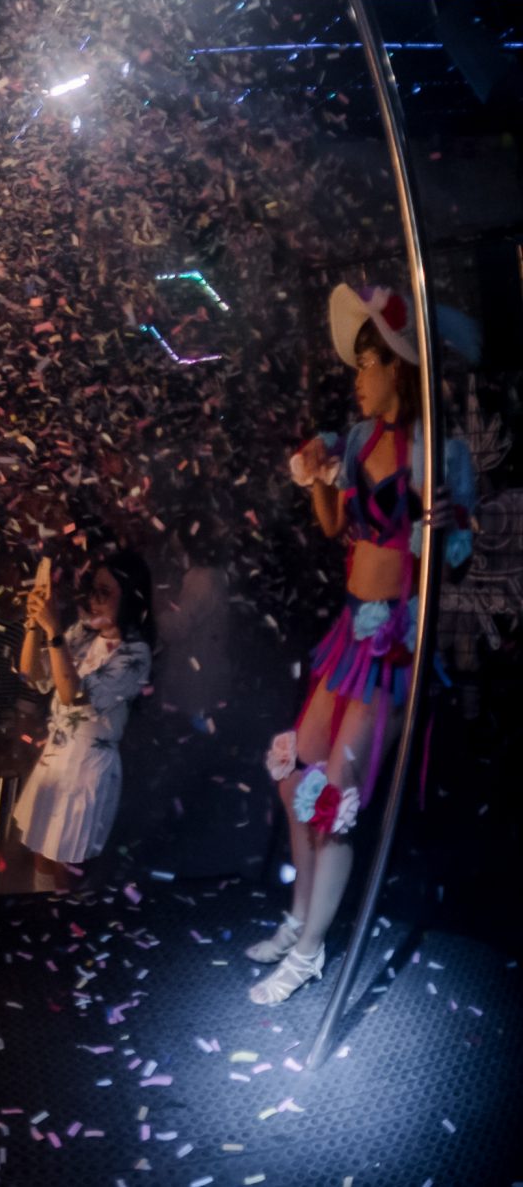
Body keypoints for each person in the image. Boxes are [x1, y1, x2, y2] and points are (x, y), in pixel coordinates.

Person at [250, 285, 477, 1004]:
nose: (357, 377)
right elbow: (332, 528)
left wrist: (445, 524)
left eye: (368, 363)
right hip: (349, 631)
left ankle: (310, 951)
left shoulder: (441, 452)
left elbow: (457, 556)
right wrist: (315, 476)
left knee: (338, 791)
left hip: (396, 645)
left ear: (398, 368)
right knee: (297, 772)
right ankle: (298, 918)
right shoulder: (358, 440)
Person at [9, 551, 155, 891]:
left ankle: (63, 918)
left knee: (68, 868)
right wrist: (34, 623)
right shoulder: (83, 633)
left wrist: (53, 630)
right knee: (42, 854)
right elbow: (31, 674)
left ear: (130, 598)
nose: (93, 600)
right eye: (93, 590)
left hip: (86, 769)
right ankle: (40, 911)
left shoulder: (135, 653)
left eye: (104, 592)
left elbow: (72, 695)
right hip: (55, 759)